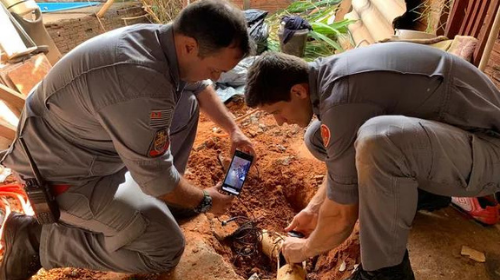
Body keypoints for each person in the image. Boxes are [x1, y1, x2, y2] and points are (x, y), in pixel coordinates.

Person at [0, 0, 255, 279]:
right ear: (190, 47)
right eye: (215, 69)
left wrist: (234, 130)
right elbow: (158, 179)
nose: (216, 78)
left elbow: (199, 86)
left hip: (89, 147)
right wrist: (205, 200)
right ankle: (40, 241)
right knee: (165, 249)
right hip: (64, 178)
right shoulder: (142, 83)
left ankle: (163, 203)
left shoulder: (164, 41)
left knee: (187, 102)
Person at [244, 42, 500, 280]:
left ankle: (385, 272)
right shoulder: (327, 77)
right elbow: (340, 166)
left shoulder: (341, 98)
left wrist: (303, 250)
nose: (279, 121)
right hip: (455, 137)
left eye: (276, 111)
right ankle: (422, 195)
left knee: (379, 141)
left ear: (298, 91)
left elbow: (342, 216)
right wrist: (313, 209)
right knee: (317, 137)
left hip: (490, 151)